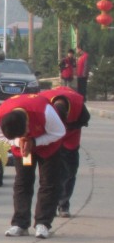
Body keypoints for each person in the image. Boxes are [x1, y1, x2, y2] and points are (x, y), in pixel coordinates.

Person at [0, 93, 66, 239]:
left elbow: (59, 132)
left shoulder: (45, 111)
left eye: (25, 132)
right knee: (22, 181)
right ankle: (20, 223)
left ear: (27, 122)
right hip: (21, 148)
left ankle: (43, 223)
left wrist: (34, 142)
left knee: (49, 183)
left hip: (48, 145)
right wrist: (17, 142)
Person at [41, 86, 90, 218]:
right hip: (50, 135)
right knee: (49, 172)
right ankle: (49, 205)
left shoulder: (78, 104)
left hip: (70, 136)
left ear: (68, 114)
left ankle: (63, 204)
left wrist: (68, 127)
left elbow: (85, 120)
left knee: (69, 171)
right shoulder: (43, 102)